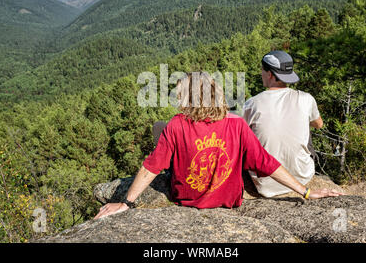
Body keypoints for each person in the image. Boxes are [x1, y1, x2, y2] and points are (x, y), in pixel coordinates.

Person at [95, 72, 341, 219]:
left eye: (180, 94)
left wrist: (126, 203)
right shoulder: (236, 125)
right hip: (229, 200)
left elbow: (151, 167)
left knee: (161, 129)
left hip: (186, 198)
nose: (177, 99)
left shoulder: (177, 125)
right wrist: (306, 192)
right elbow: (266, 163)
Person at [243, 50, 323, 198]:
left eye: (262, 70)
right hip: (303, 176)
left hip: (265, 183)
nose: (261, 73)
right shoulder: (306, 98)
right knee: (306, 126)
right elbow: (318, 124)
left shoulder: (252, 103)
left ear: (270, 74)